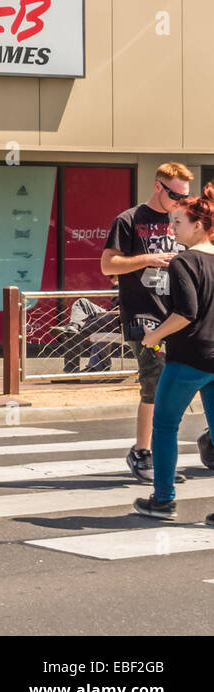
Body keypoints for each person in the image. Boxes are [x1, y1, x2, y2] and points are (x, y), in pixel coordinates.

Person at [101, 162, 192, 483]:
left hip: (181, 314)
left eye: (185, 196)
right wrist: (148, 259)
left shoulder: (181, 219)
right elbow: (107, 265)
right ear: (158, 187)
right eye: (174, 194)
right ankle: (142, 451)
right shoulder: (129, 220)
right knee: (155, 382)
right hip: (144, 315)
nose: (179, 201)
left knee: (188, 380)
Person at [133, 185, 214, 520]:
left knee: (165, 425)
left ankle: (163, 500)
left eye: (177, 222)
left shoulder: (183, 262)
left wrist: (153, 337)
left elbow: (186, 314)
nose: (171, 229)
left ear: (197, 225)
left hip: (188, 357)